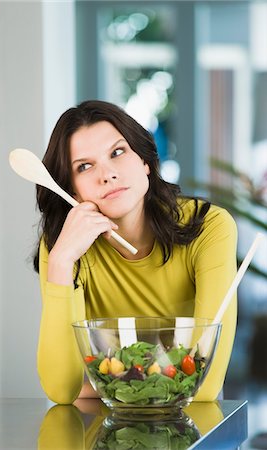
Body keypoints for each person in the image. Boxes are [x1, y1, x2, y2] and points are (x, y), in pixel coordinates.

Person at [34, 100, 237, 405]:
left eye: (117, 152)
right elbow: (63, 390)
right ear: (72, 190)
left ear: (144, 161)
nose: (108, 174)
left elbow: (203, 386)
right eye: (84, 166)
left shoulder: (209, 227)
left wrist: (104, 383)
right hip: (100, 429)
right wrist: (62, 261)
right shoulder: (64, 245)